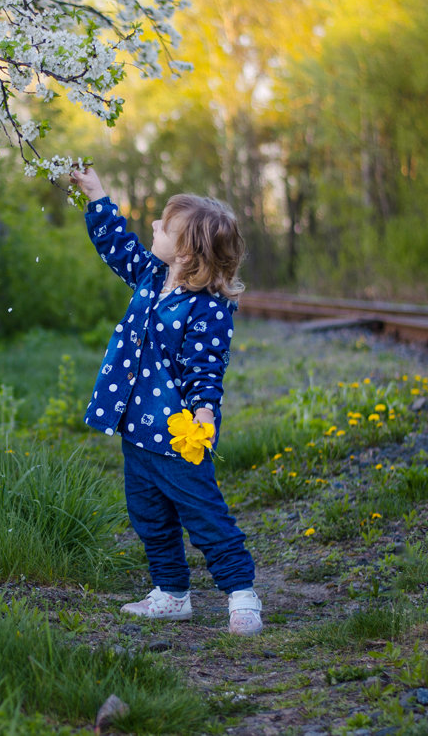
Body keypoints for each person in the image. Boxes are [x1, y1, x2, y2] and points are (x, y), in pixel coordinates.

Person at [69, 165, 262, 636]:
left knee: (205, 516)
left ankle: (242, 595)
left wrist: (204, 412)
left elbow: (205, 369)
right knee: (149, 516)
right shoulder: (152, 278)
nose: (152, 228)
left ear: (186, 251)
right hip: (136, 427)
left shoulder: (209, 309)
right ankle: (172, 594)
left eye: (163, 226)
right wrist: (96, 193)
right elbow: (117, 245)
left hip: (177, 435)